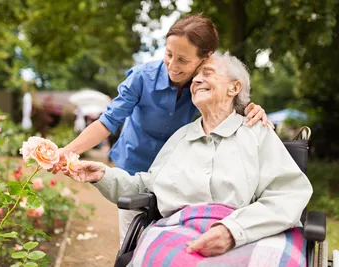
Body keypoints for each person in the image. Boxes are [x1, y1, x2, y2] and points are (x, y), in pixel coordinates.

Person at [61, 52, 313, 267]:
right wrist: (103, 175)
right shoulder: (181, 137)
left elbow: (288, 194)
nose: (197, 80)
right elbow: (147, 187)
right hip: (178, 230)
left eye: (209, 73)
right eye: (196, 77)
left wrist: (233, 231)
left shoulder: (257, 133)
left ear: (234, 87)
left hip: (251, 231)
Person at [52, 14, 271, 244]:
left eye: (183, 60)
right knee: (132, 240)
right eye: (169, 54)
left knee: (169, 240)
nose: (173, 66)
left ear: (205, 58)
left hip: (176, 177)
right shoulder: (142, 78)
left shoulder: (203, 84)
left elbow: (230, 102)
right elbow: (107, 121)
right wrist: (66, 151)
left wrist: (252, 109)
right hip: (134, 167)